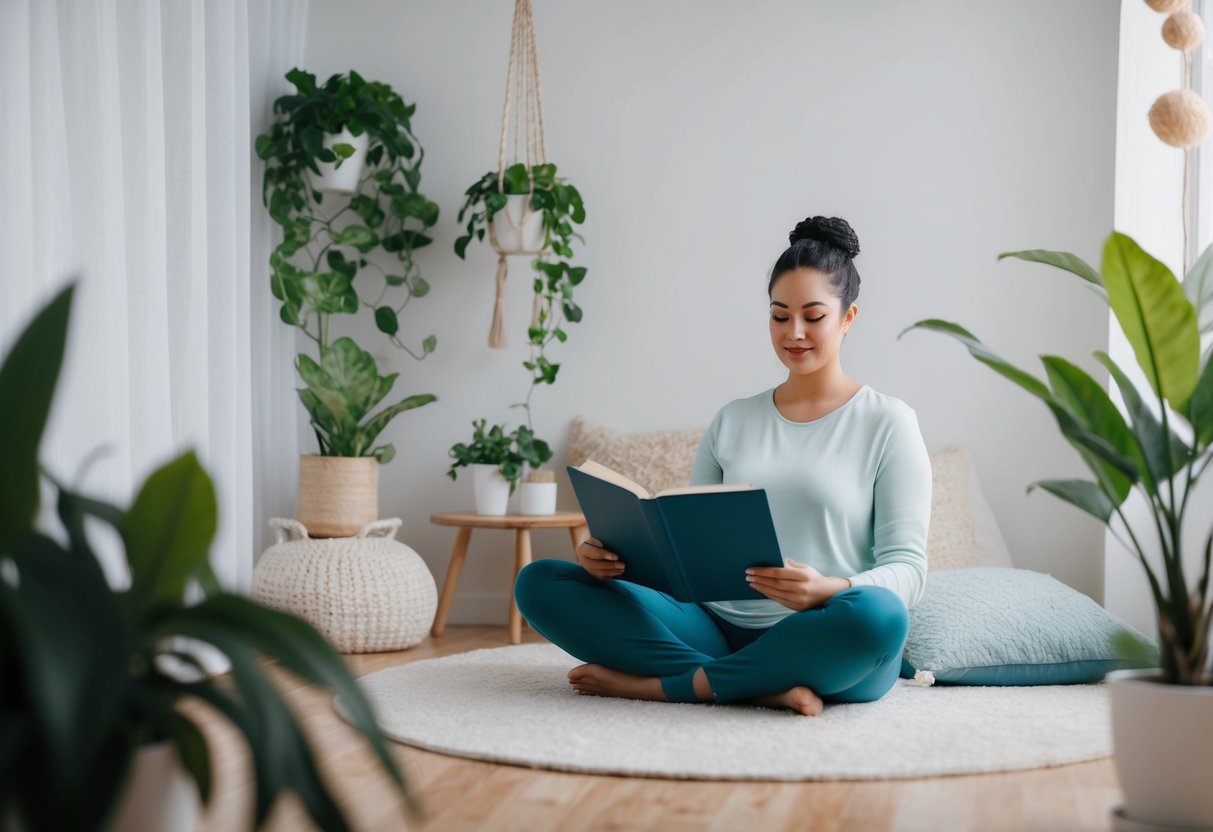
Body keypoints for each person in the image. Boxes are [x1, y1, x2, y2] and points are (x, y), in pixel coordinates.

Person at [514, 216, 932, 715]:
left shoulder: (889, 422)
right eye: (780, 316)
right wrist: (613, 563)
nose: (794, 333)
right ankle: (756, 686)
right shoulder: (733, 420)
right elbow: (690, 558)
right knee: (540, 582)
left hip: (823, 631)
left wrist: (829, 589)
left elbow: (909, 570)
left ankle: (666, 685)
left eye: (813, 316)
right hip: (714, 627)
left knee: (880, 617)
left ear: (848, 318)